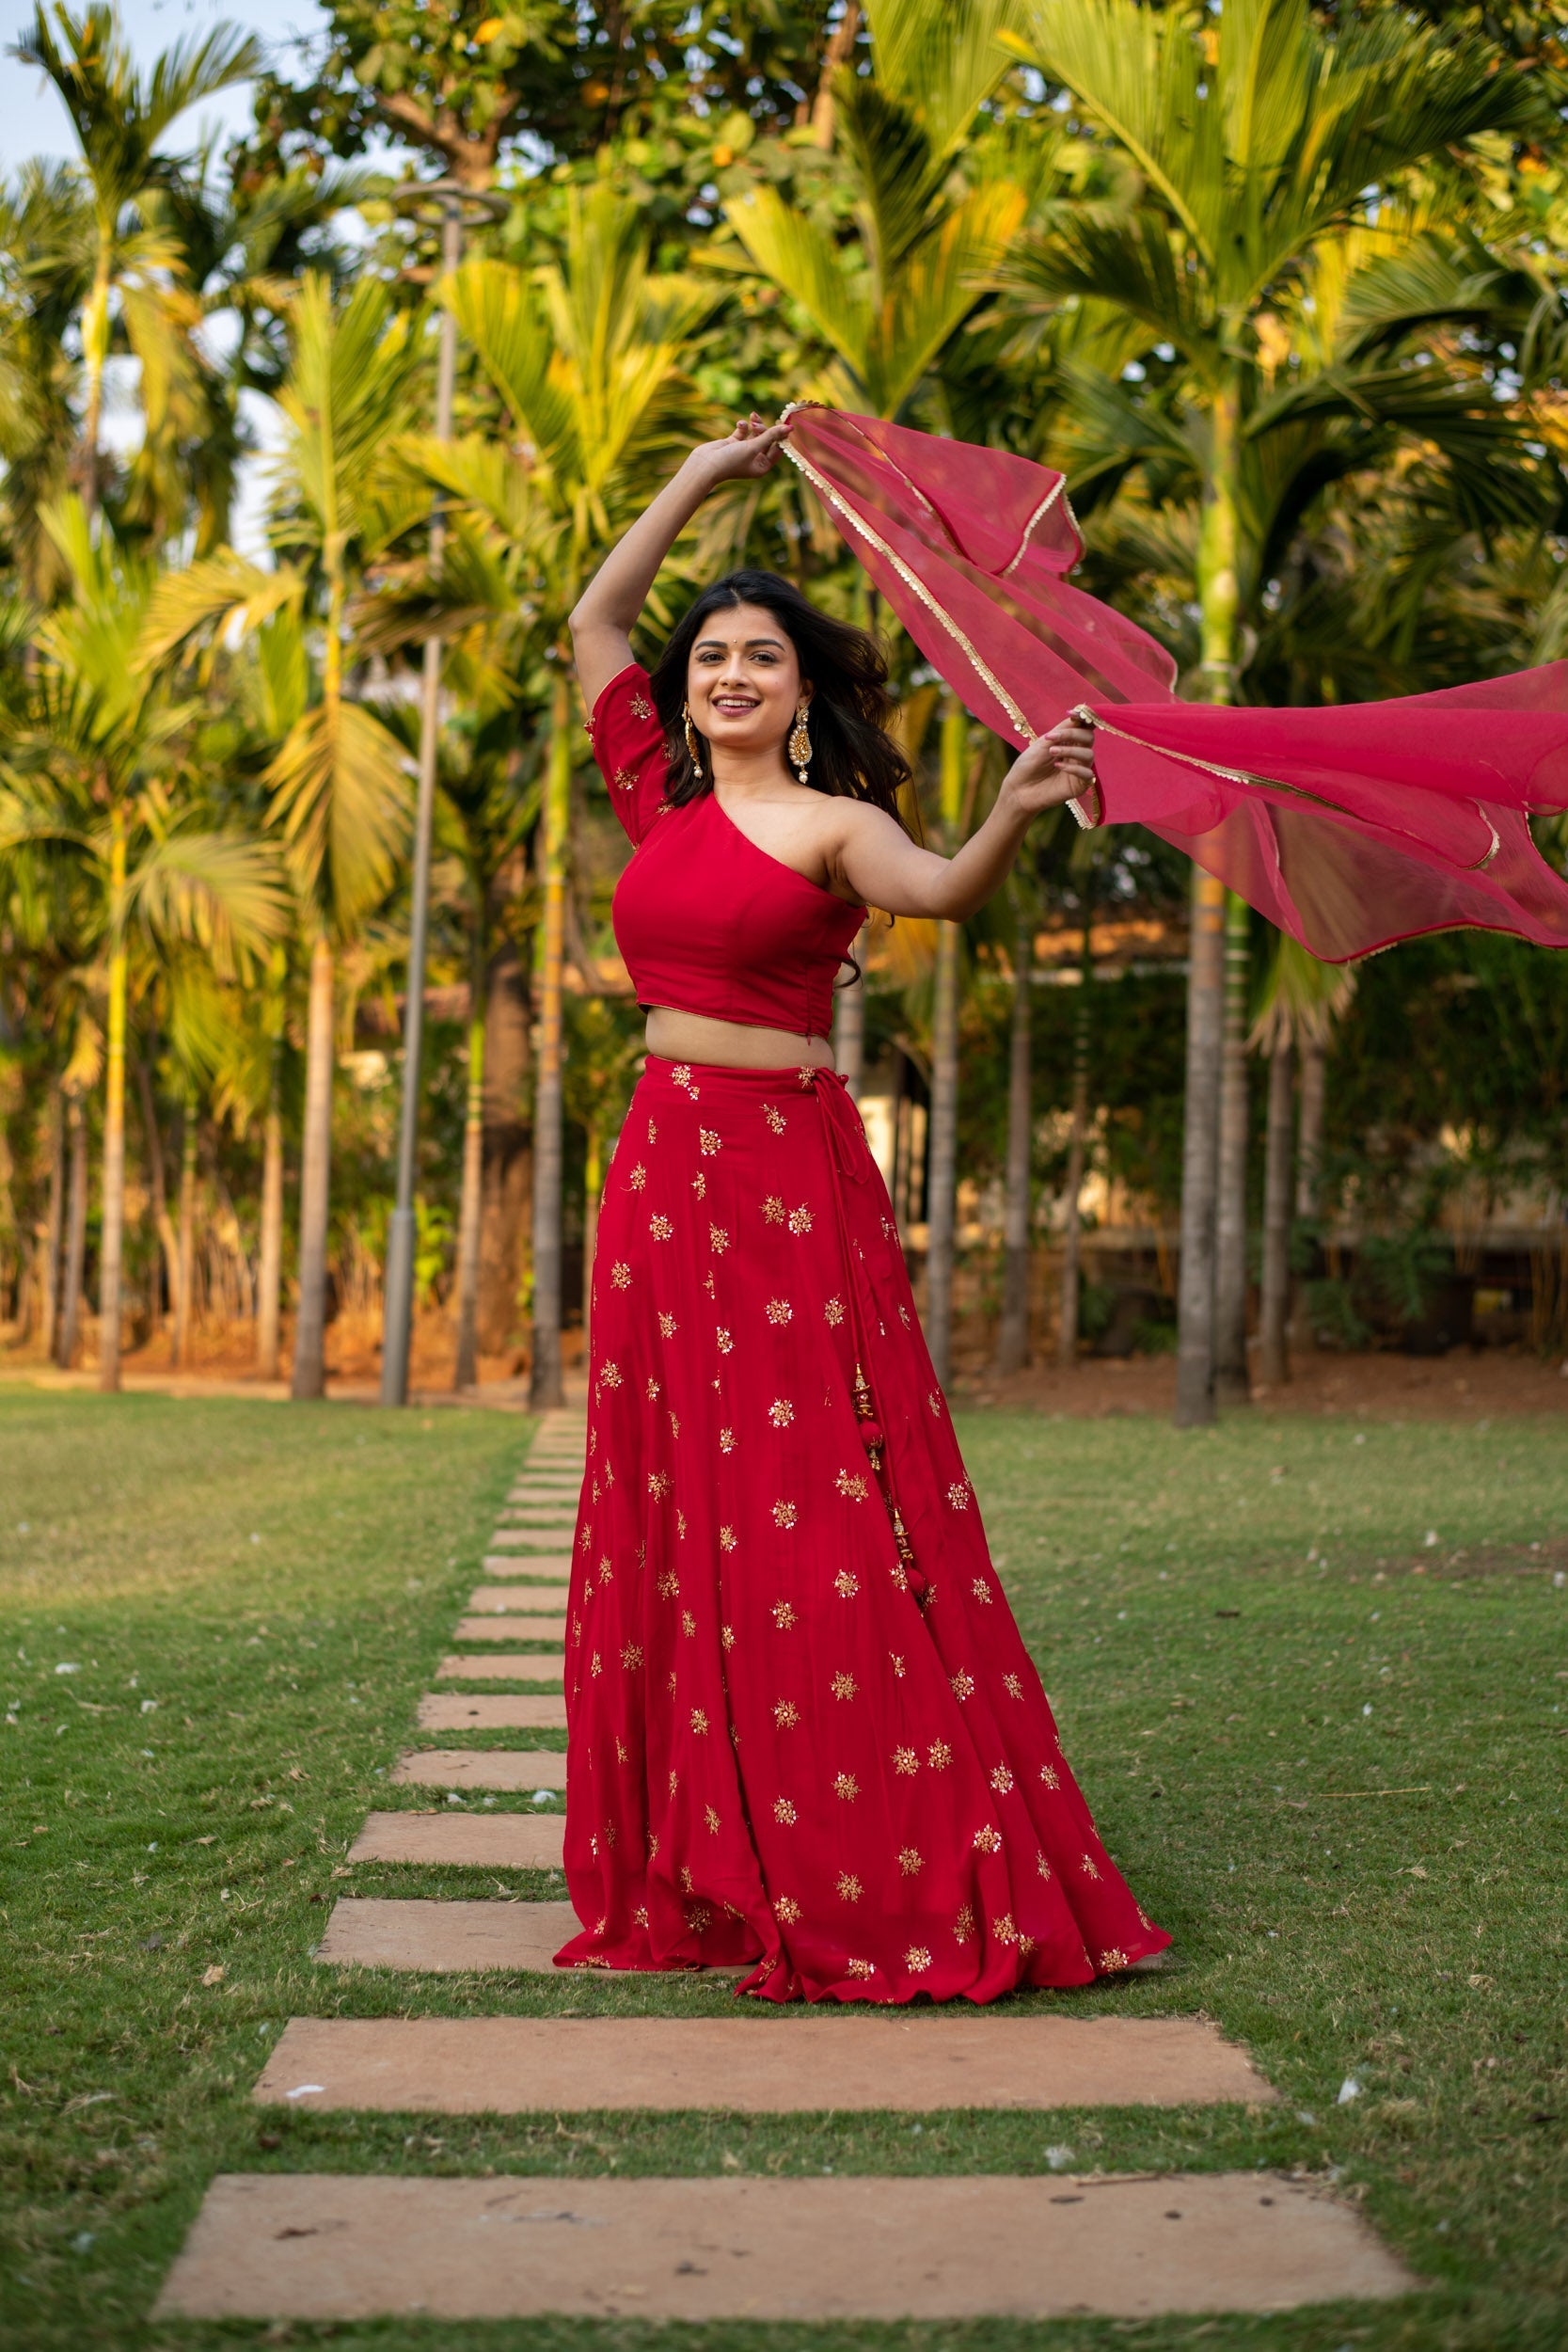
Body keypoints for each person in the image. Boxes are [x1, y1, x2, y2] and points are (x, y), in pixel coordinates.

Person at [557, 411, 1169, 2001]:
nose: (730, 676)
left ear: (802, 689)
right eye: (713, 659)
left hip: (780, 1177)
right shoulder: (655, 802)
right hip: (657, 1172)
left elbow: (944, 888)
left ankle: (862, 1840)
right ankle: (700, 1851)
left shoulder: (841, 826)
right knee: (675, 1496)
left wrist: (1021, 805)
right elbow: (593, 620)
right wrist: (701, 476)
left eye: (760, 656)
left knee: (811, 1497)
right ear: (689, 693)